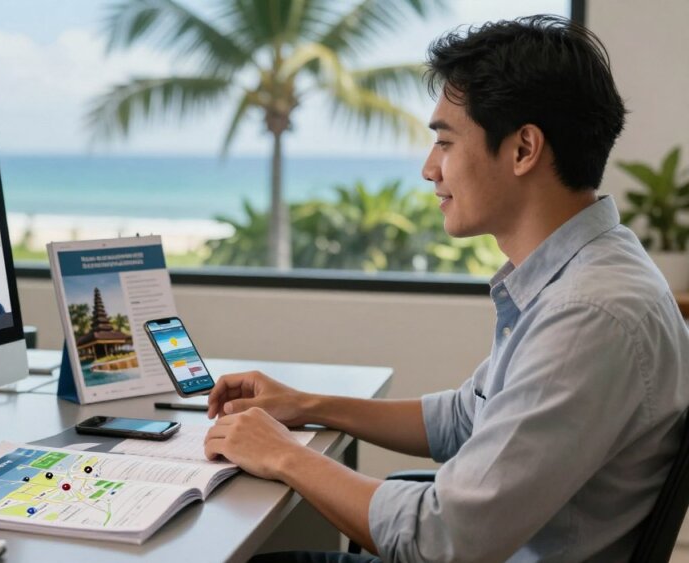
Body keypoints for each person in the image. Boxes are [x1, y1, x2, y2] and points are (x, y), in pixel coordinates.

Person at [206, 16, 689, 563]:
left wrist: (284, 456)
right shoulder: (585, 272)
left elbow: (439, 541)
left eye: (444, 142)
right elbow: (464, 415)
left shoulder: (588, 314)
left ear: (523, 149)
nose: (429, 168)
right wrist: (308, 405)